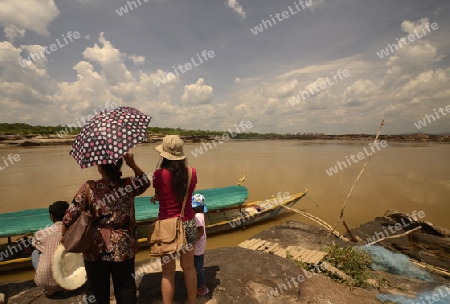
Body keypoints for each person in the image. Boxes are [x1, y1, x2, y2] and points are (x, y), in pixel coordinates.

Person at [63, 153, 150, 304]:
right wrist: (133, 165)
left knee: (97, 290)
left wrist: (63, 234)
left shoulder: (89, 187)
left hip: (95, 246)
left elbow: (70, 215)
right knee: (126, 287)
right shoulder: (129, 185)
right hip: (124, 246)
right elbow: (146, 182)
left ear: (101, 167)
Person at [151, 135, 198, 304]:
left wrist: (156, 196)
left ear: (164, 154)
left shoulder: (158, 175)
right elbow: (182, 192)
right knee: (189, 267)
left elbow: (161, 193)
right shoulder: (192, 173)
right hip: (188, 222)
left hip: (166, 227)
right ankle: (193, 302)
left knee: (168, 273)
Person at [31, 200, 69, 296]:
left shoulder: (41, 233)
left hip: (46, 283)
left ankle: (50, 288)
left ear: (52, 217)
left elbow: (35, 244)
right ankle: (67, 286)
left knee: (35, 253)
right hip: (69, 282)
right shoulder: (74, 231)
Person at [191, 194, 209, 296]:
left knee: (198, 269)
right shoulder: (200, 215)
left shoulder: (197, 217)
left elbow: (200, 231)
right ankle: (199, 285)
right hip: (200, 246)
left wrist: (192, 241)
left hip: (197, 247)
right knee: (198, 266)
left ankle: (201, 287)